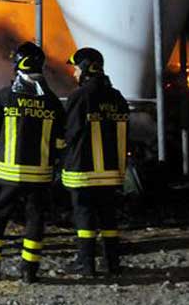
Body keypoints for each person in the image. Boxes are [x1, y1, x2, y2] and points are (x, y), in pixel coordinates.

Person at [0, 42, 66, 283]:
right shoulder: (53, 102)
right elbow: (61, 140)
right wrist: (55, 164)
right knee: (35, 219)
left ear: (19, 64)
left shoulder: (4, 97)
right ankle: (29, 271)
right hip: (40, 175)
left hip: (8, 172)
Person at [62, 47, 129, 276]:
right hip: (111, 170)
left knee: (85, 216)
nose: (74, 74)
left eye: (75, 69)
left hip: (84, 170)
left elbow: (69, 133)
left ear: (84, 68)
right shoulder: (117, 97)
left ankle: (86, 263)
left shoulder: (79, 97)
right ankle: (113, 262)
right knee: (108, 217)